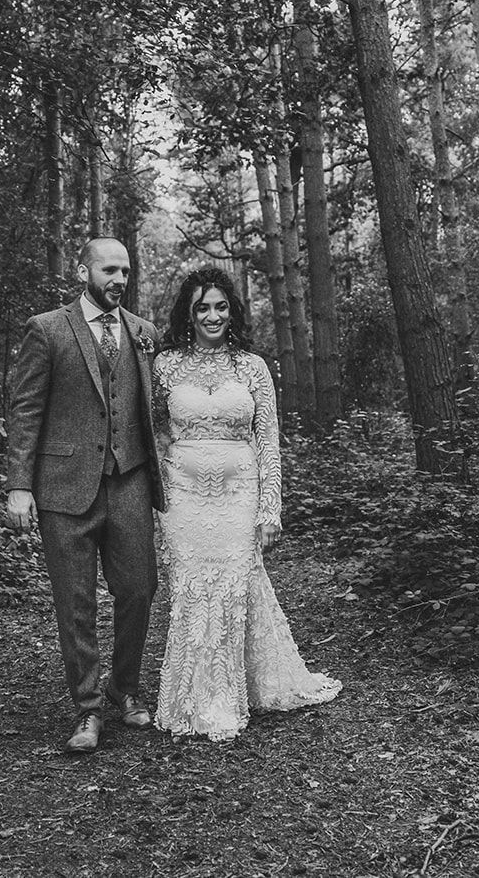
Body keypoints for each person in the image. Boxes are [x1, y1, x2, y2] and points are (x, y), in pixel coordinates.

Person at [150, 266, 341, 740]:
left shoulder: (252, 367)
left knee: (234, 587)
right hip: (183, 498)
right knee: (191, 590)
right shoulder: (165, 366)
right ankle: (192, 698)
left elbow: (269, 440)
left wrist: (270, 507)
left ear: (232, 310)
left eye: (220, 306)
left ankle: (227, 697)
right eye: (202, 308)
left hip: (239, 494)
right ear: (188, 314)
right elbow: (154, 434)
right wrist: (157, 497)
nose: (212, 315)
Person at [4, 237, 164, 753]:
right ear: (84, 271)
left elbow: (151, 412)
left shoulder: (144, 333)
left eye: (126, 271)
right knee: (74, 602)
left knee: (139, 590)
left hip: (131, 481)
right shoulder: (46, 329)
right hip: (63, 488)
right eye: (109, 269)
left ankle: (125, 687)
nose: (119, 279)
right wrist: (19, 486)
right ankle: (88, 708)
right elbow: (26, 411)